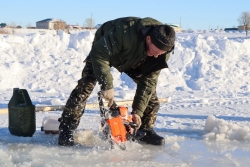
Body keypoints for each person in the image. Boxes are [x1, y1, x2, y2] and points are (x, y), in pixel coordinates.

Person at [58, 16, 175, 146]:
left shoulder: (161, 52)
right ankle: (66, 128)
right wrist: (107, 85)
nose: (158, 55)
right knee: (85, 86)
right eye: (156, 51)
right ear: (148, 39)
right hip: (104, 50)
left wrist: (138, 112)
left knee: (151, 97)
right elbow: (100, 54)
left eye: (161, 53)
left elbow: (148, 83)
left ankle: (145, 130)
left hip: (135, 57)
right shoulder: (124, 33)